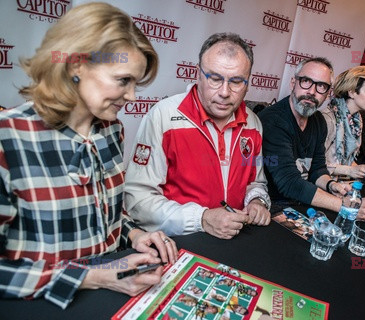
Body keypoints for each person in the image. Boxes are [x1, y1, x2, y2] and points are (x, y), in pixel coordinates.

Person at [0, 3, 178, 309]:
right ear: (75, 66)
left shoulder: (113, 131)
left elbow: (104, 217)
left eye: (136, 83)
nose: (133, 96)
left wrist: (133, 234)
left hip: (113, 297)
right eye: (123, 80)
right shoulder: (9, 138)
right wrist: (94, 276)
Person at [124, 33, 271, 240]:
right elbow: (138, 201)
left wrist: (256, 201)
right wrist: (201, 218)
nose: (224, 92)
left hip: (235, 239)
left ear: (248, 82)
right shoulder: (163, 116)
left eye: (236, 81)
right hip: (180, 241)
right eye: (215, 78)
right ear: (198, 74)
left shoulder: (253, 123)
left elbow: (255, 182)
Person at [258, 57, 365, 220]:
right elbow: (289, 183)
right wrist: (344, 206)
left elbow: (317, 168)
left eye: (321, 86)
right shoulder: (274, 120)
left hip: (302, 202)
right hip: (272, 207)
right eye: (306, 81)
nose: (312, 92)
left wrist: (331, 185)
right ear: (293, 83)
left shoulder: (318, 120)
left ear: (328, 94)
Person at [321, 65, 365, 180]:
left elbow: (347, 162)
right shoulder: (327, 119)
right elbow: (316, 165)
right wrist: (350, 170)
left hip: (341, 185)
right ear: (351, 92)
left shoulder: (356, 120)